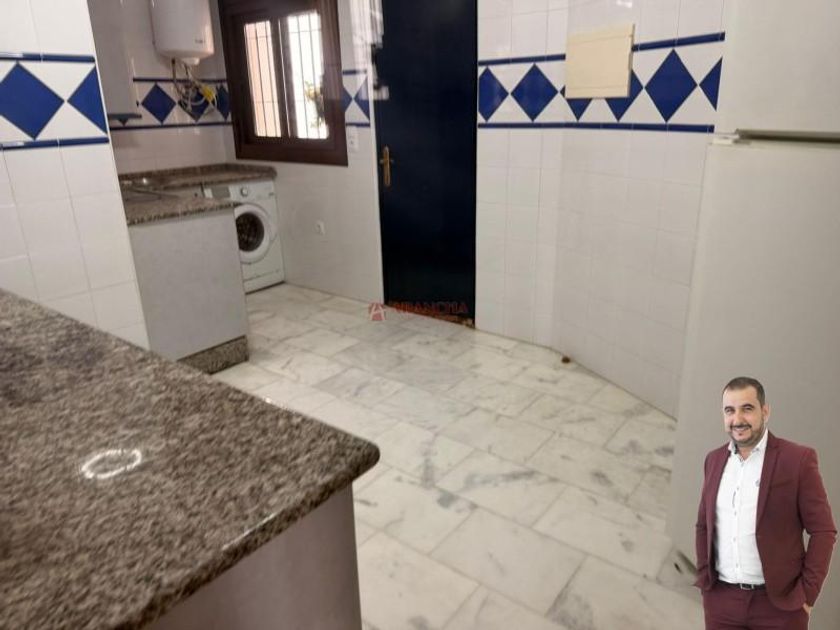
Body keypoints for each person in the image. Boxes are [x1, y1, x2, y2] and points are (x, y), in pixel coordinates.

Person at [695, 376, 836, 629]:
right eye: (730, 410)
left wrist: (807, 595)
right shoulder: (713, 460)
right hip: (722, 604)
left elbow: (823, 530)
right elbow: (703, 526)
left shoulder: (797, 460)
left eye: (747, 408)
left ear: (765, 411)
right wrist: (706, 582)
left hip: (779, 607)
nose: (738, 419)